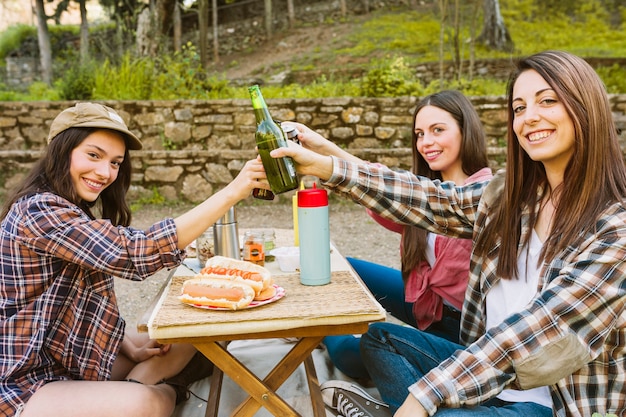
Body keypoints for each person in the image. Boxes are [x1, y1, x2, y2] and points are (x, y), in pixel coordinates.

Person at [272, 50, 626, 417]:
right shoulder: (511, 197)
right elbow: (429, 199)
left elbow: (539, 330)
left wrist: (424, 397)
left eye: (547, 100)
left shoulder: (615, 229)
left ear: (586, 107)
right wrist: (328, 166)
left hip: (551, 402)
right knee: (382, 339)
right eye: (519, 108)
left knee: (433, 406)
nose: (529, 117)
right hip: (482, 377)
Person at [0, 102, 271, 417]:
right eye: (93, 155)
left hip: (72, 363)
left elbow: (74, 306)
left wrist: (125, 343)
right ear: (62, 150)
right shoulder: (38, 211)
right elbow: (132, 252)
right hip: (25, 384)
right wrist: (233, 191)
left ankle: (141, 385)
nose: (105, 172)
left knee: (188, 334)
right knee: (145, 403)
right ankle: (164, 391)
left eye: (115, 162)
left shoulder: (70, 210)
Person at [287, 91, 491, 394]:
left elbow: (388, 186)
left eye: (438, 130)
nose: (426, 143)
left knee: (347, 352)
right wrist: (323, 148)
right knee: (340, 266)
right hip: (427, 306)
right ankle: (318, 323)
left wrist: (324, 160)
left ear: (466, 130)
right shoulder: (420, 192)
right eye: (420, 134)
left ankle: (319, 331)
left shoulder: (487, 196)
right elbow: (381, 185)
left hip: (460, 329)